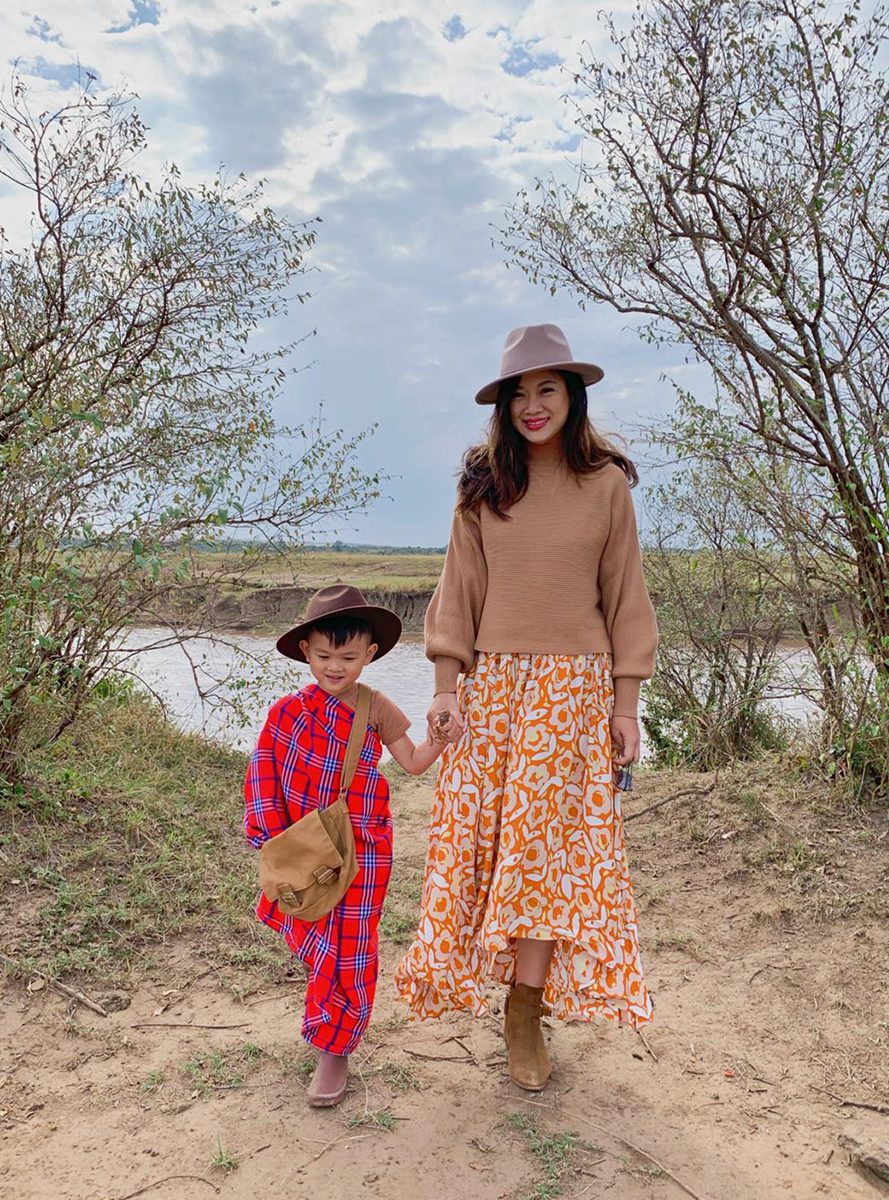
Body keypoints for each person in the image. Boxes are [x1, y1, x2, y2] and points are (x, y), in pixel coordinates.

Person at [394, 323, 658, 1091]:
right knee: (481, 847)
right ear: (502, 405)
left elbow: (627, 601)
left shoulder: (606, 483)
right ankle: (500, 991)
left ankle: (524, 1006)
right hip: (495, 693)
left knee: (543, 860)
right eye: (518, 393)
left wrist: (626, 704)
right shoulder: (485, 484)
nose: (532, 406)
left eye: (547, 389)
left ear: (573, 396)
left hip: (572, 695)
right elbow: (457, 595)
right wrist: (446, 688)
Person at [244, 584, 443, 1107]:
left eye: (349, 657)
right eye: (326, 655)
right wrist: (271, 837)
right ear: (306, 650)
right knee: (319, 942)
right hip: (304, 847)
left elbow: (415, 762)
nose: (336, 667)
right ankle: (327, 1020)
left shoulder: (376, 707)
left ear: (370, 655)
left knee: (351, 948)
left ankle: (335, 1048)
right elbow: (263, 774)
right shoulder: (286, 713)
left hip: (362, 849)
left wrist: (441, 736)